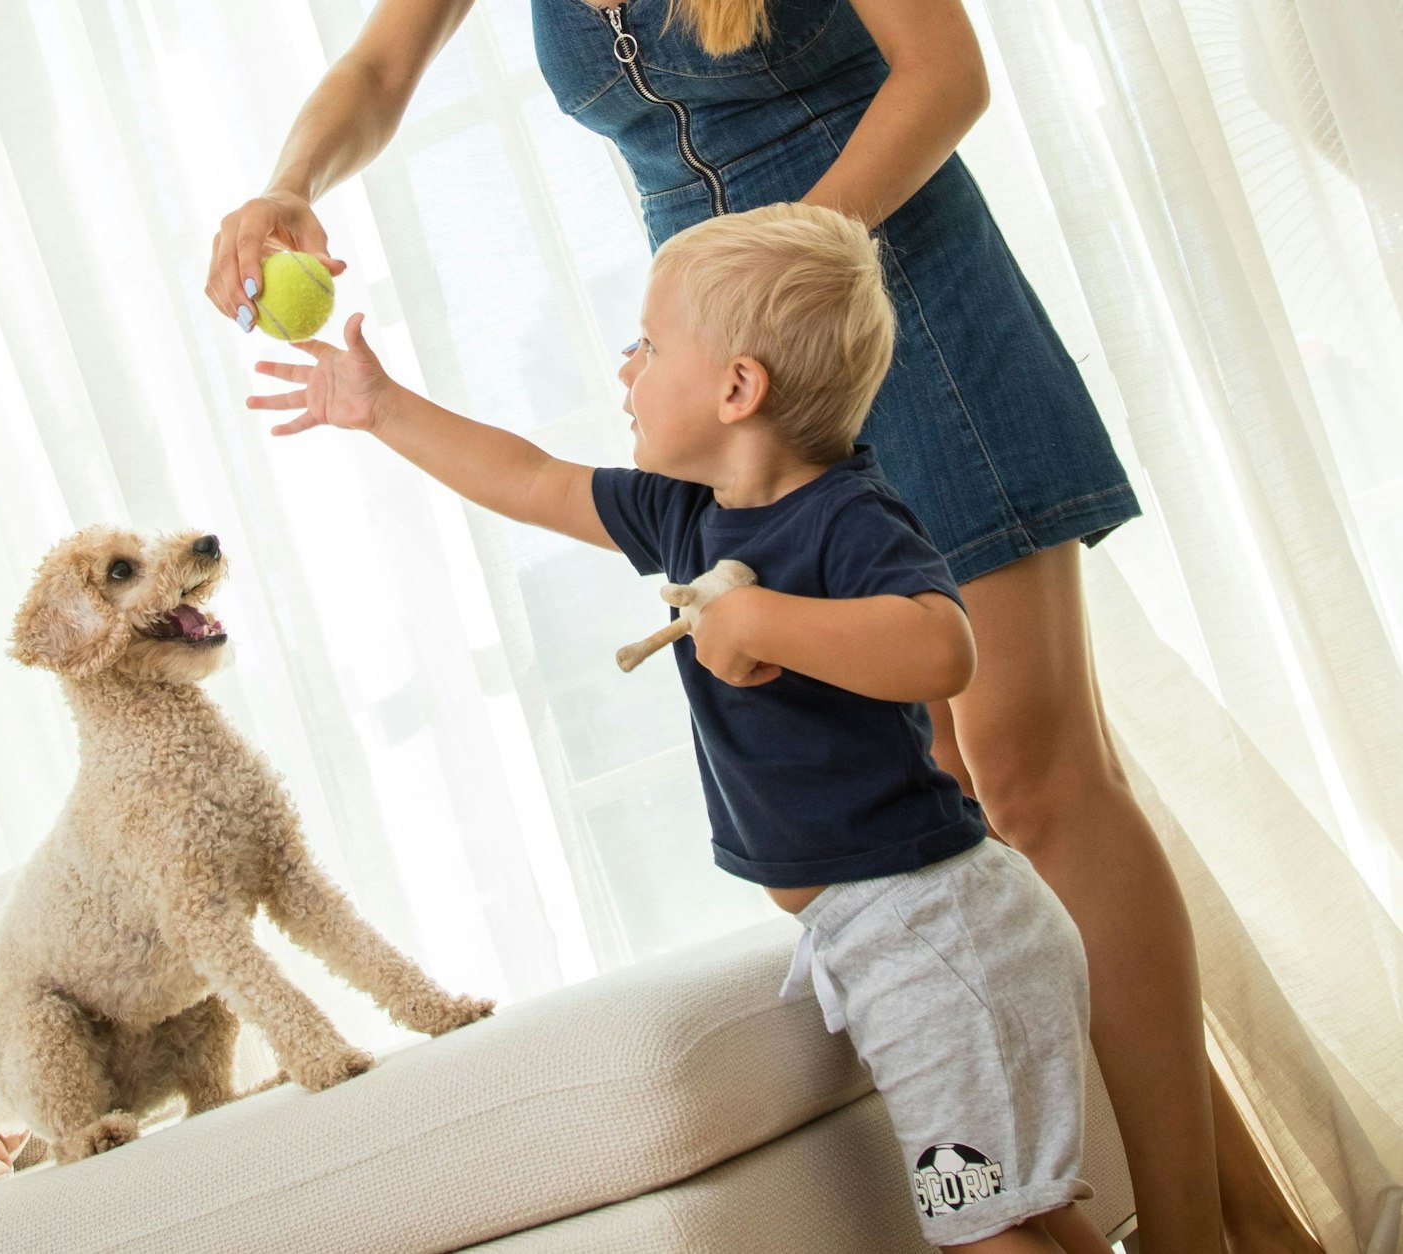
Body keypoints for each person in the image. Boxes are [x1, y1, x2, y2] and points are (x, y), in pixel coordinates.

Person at [209, 3, 1321, 1250]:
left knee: (1027, 768)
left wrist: (790, 277)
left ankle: (1201, 1235)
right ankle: (1223, 1224)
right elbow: (376, 66)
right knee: (934, 802)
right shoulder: (679, 439)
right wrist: (285, 185)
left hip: (873, 287)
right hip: (723, 358)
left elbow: (942, 75)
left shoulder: (788, 307)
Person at [251, 201, 1113, 1253]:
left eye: (648, 345)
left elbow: (940, 650)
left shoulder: (845, 515)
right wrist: (382, 410)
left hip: (936, 935)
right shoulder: (685, 512)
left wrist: (762, 618)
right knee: (1012, 1214)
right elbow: (531, 481)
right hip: (885, 936)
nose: (624, 366)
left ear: (736, 389)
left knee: (976, 1230)